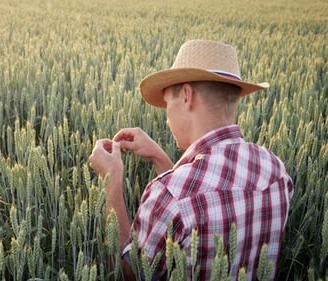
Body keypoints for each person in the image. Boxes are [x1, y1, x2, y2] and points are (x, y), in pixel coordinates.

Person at [88, 39, 294, 280]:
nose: (166, 118)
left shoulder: (169, 194)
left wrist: (111, 183)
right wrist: (159, 157)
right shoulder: (276, 171)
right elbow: (200, 196)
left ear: (186, 96)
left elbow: (131, 272)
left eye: (167, 103)